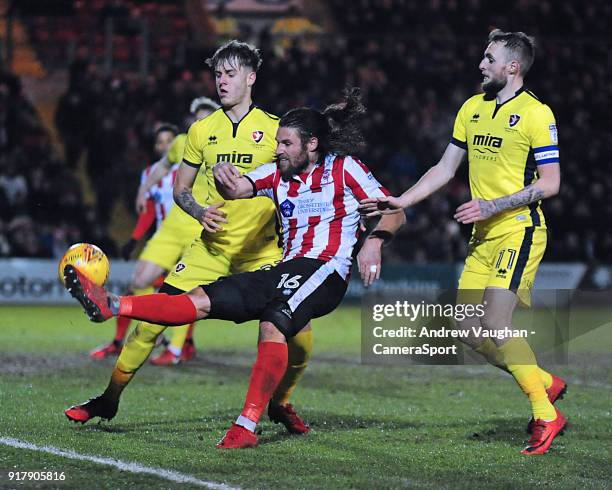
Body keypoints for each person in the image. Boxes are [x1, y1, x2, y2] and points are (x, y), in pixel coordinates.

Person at [63, 88, 406, 448]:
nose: (278, 149)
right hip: (281, 268)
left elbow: (395, 211)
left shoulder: (344, 169)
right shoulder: (275, 172)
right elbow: (240, 188)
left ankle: (249, 424)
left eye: (286, 144)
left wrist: (374, 242)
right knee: (201, 301)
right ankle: (113, 304)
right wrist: (226, 178)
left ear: (312, 145)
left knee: (276, 323)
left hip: (325, 268)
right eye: (277, 143)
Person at [64, 41, 314, 435]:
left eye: (230, 74)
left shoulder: (274, 130)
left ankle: (281, 403)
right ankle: (108, 399)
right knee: (149, 322)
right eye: (217, 74)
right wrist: (200, 211)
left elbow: (299, 182)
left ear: (251, 78)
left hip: (262, 254)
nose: (222, 81)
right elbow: (182, 191)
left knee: (298, 338)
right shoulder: (201, 131)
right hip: (210, 249)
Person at [360, 30, 565, 455]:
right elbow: (444, 167)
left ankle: (545, 412)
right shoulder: (472, 108)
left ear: (513, 67)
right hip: (483, 236)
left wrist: (494, 206)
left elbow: (550, 183)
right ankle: (544, 380)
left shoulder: (536, 114)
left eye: (489, 59)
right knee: (468, 330)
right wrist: (402, 199)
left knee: (494, 323)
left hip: (519, 229)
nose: (480, 65)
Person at [89, 98, 220, 361]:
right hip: (172, 227)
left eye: (208, 118)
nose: (201, 123)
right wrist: (143, 189)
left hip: (201, 228)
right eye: (198, 118)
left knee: (188, 293)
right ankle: (156, 326)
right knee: (140, 281)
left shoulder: (227, 146)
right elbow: (161, 167)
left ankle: (175, 350)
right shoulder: (182, 143)